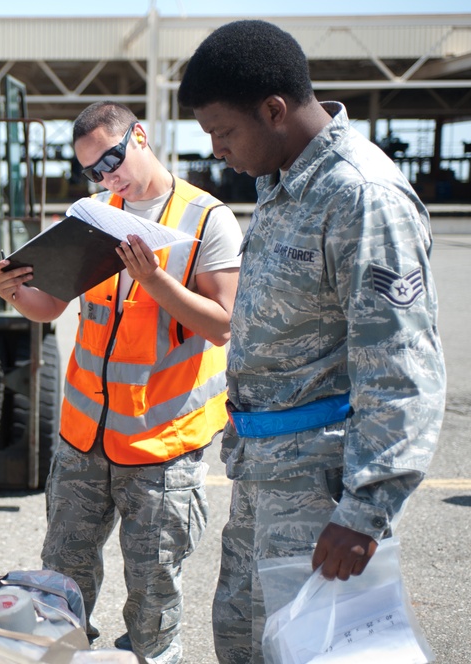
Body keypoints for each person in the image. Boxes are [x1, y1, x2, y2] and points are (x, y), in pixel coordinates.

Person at [177, 20, 446, 664]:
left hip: (321, 489)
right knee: (243, 642)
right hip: (264, 474)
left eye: (223, 131)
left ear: (274, 110)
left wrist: (365, 512)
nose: (216, 150)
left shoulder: (361, 196)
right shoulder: (281, 179)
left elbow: (402, 369)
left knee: (311, 654)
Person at [0, 101, 242, 662]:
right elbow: (50, 305)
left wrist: (153, 279)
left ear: (140, 136)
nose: (107, 176)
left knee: (153, 600)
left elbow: (223, 324)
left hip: (161, 448)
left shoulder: (206, 220)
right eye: (93, 170)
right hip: (84, 442)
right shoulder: (93, 216)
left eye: (112, 158)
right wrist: (14, 292)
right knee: (60, 587)